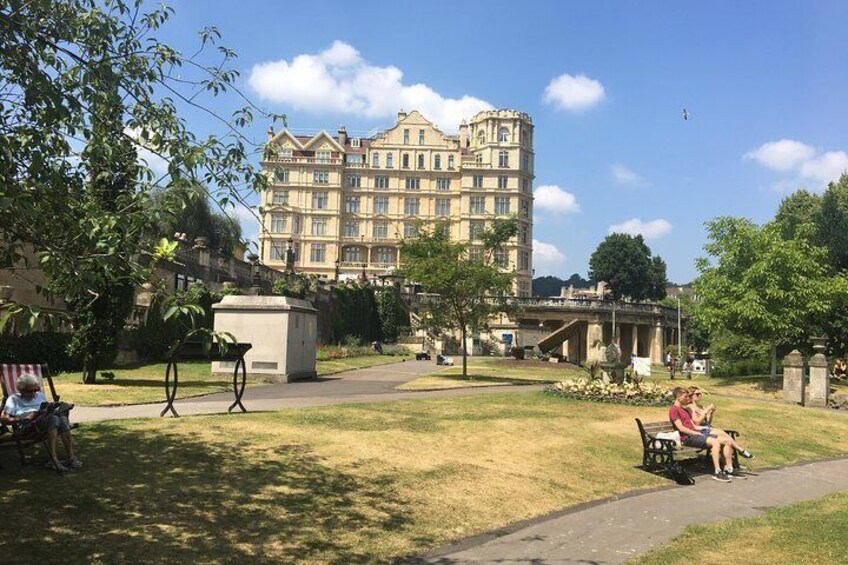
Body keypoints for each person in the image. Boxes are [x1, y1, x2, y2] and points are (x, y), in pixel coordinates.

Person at [1, 373, 82, 472]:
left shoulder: (40, 396)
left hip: (44, 422)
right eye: (31, 391)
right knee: (54, 419)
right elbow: (3, 419)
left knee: (61, 418)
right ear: (21, 390)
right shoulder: (14, 399)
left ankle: (71, 457)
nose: (34, 393)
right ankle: (54, 460)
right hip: (27, 428)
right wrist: (24, 418)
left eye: (36, 389)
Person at [669, 387, 736, 482]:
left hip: (695, 434)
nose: (687, 398)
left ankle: (728, 469)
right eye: (685, 396)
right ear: (678, 397)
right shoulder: (673, 410)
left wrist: (703, 429)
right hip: (687, 438)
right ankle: (717, 472)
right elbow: (681, 428)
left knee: (726, 440)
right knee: (715, 442)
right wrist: (695, 433)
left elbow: (694, 425)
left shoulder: (684, 410)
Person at [685, 386, 754, 460]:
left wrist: (711, 412)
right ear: (691, 395)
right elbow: (697, 422)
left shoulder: (700, 407)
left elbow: (708, 422)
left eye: (700, 394)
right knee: (722, 433)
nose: (700, 396)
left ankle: (732, 457)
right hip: (699, 430)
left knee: (724, 437)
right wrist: (707, 410)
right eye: (697, 394)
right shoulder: (690, 407)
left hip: (707, 428)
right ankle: (740, 450)